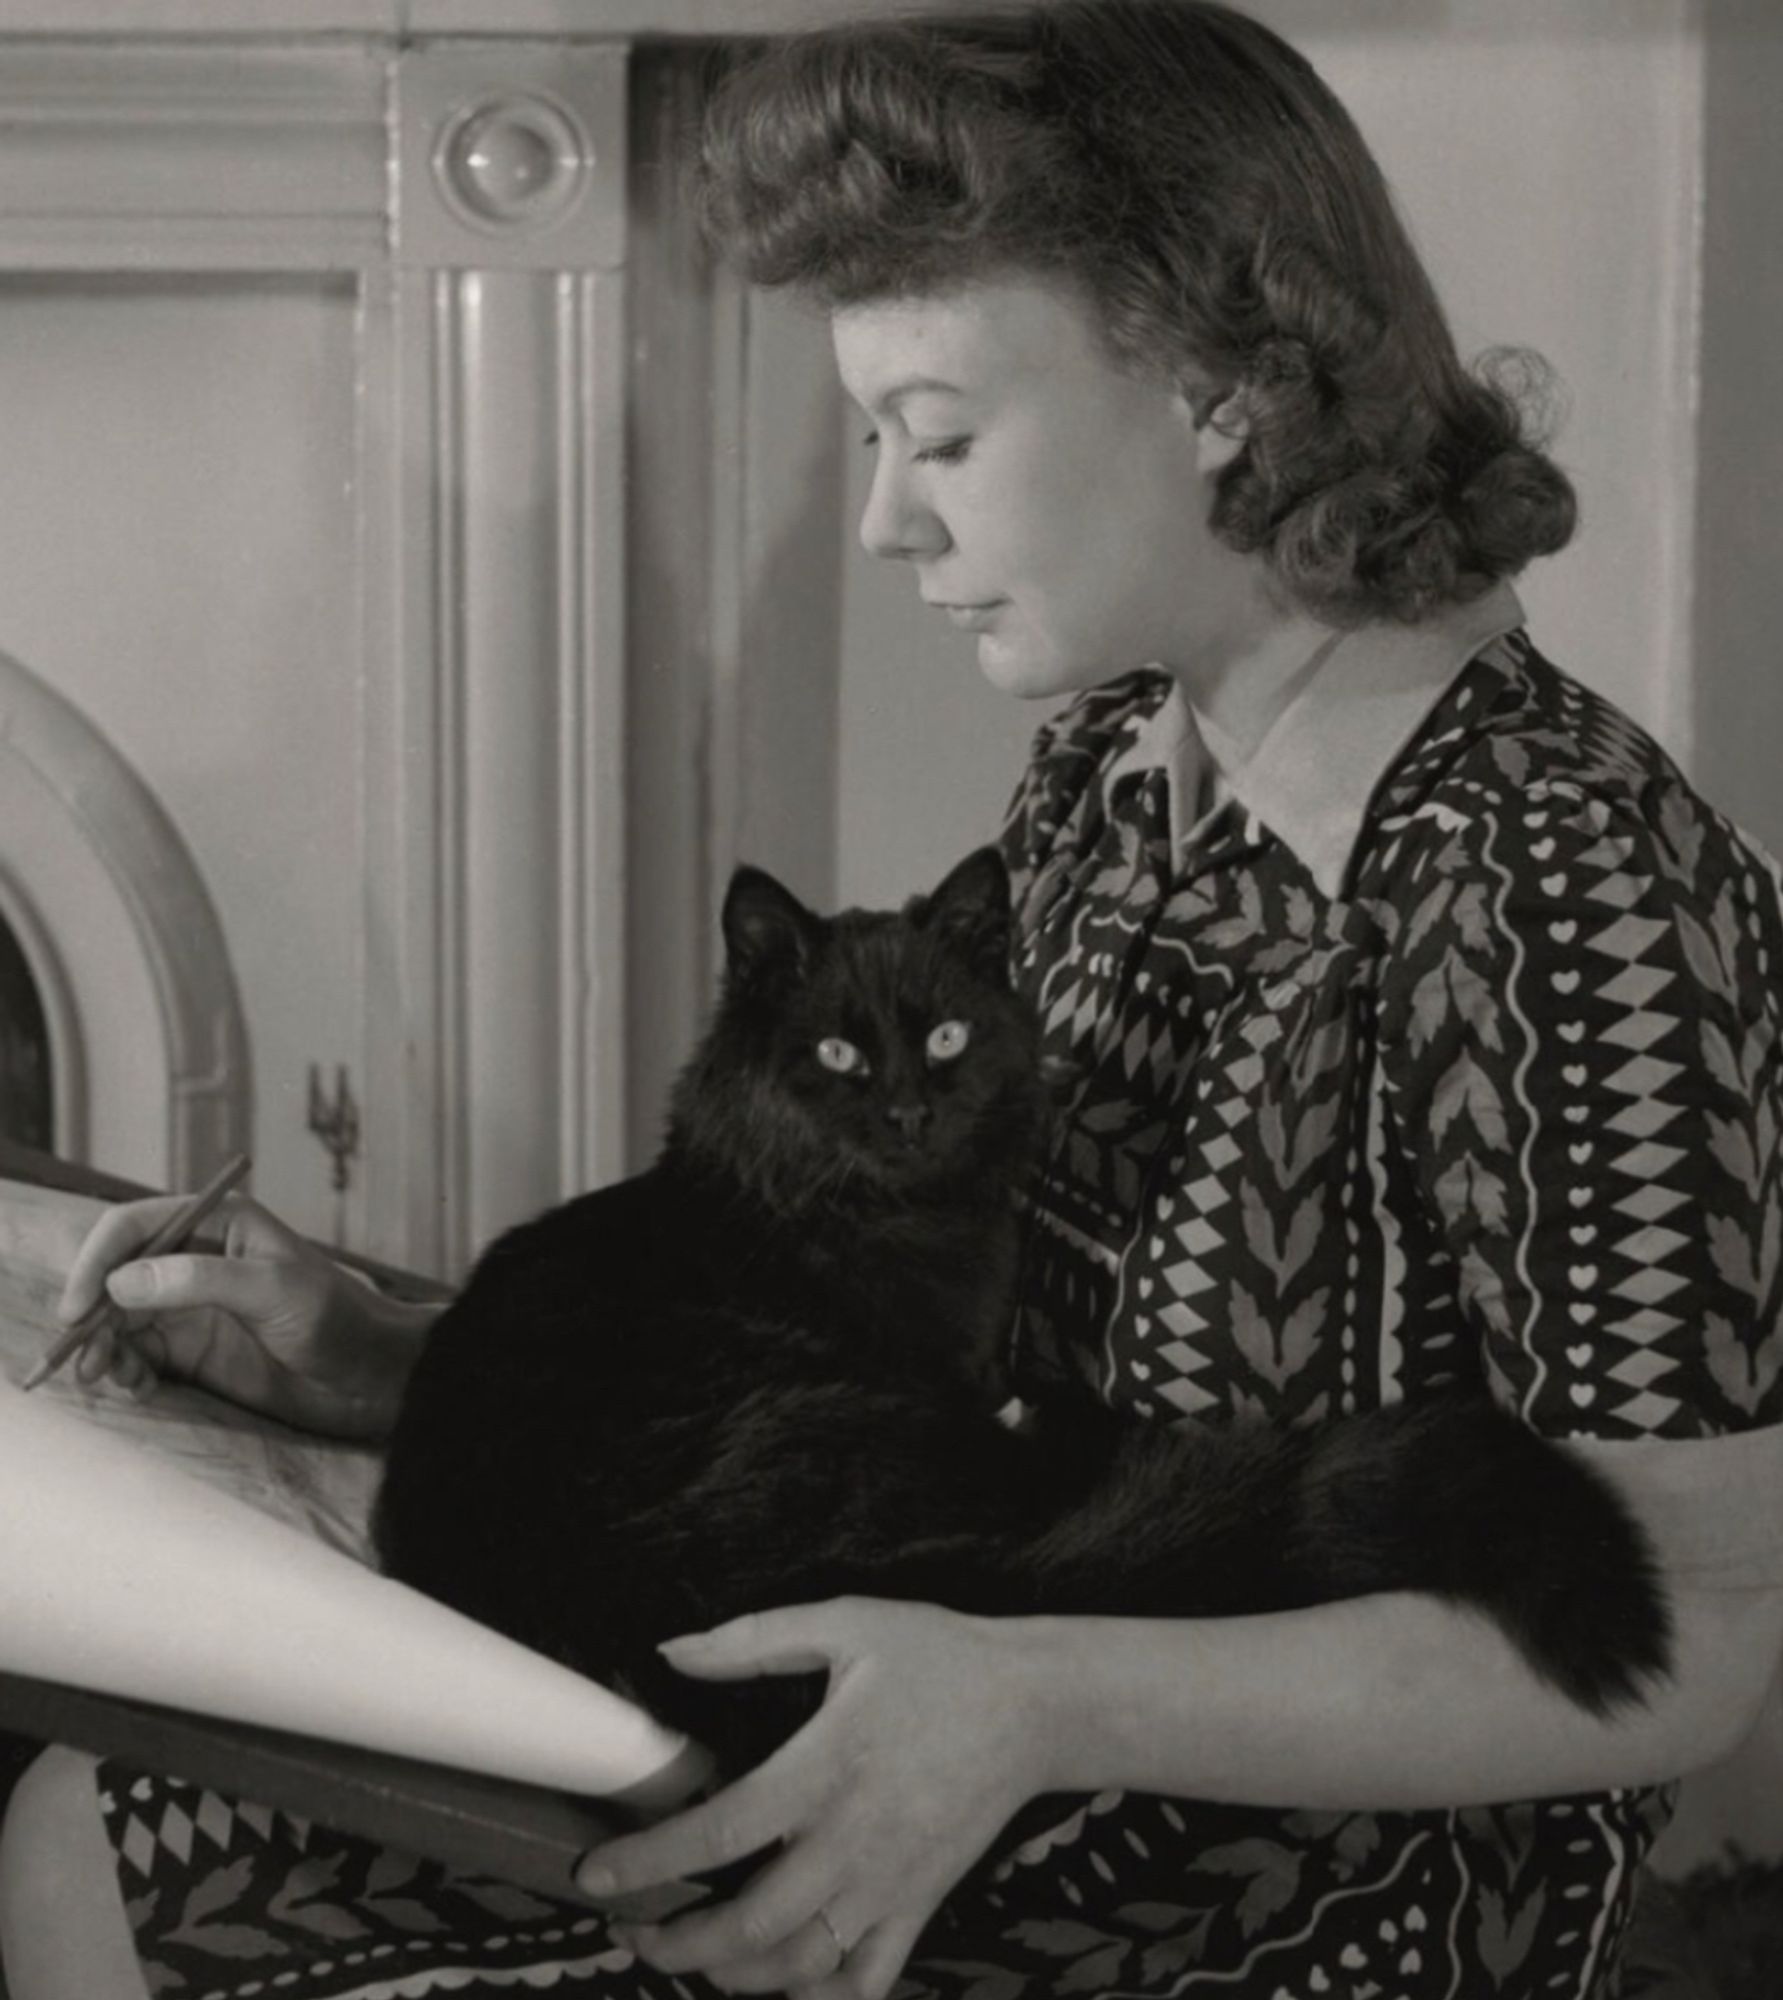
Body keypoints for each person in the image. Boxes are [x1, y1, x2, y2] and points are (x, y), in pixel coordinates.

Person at [5, 4, 1782, 1996]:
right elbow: (904, 1365)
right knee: (111, 1801)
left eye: (939, 436)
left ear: (1217, 385)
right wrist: (386, 1359)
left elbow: (1693, 1643)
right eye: (874, 443)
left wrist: (1030, 1705)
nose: (884, 521)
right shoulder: (1116, 759)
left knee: (121, 1867)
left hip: (1300, 1873)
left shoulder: (1563, 876)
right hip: (976, 1633)